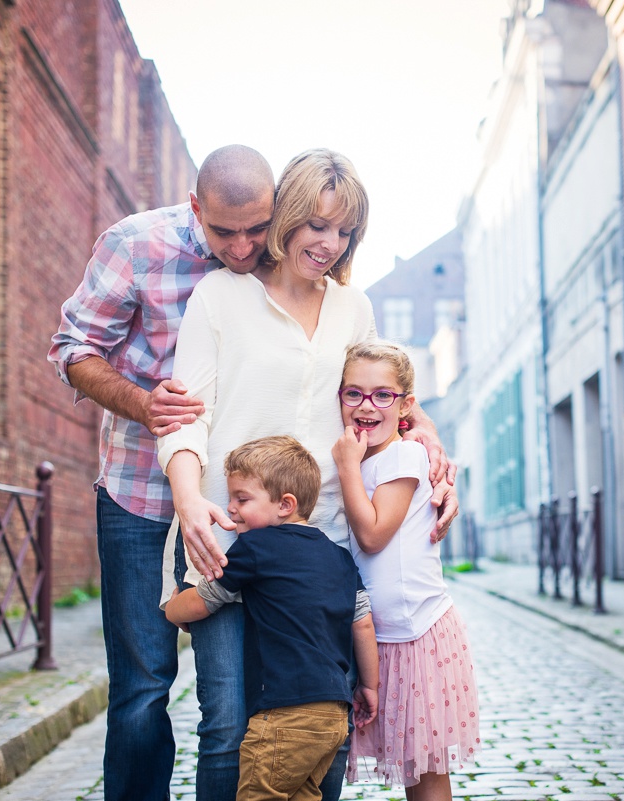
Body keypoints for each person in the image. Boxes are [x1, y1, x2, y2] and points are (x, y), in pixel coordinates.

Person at [156, 148, 455, 801]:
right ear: (287, 216)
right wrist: (187, 498)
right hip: (227, 543)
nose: (329, 243)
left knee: (328, 724)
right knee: (230, 720)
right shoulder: (220, 297)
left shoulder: (354, 308)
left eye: (345, 230)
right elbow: (184, 417)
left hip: (320, 556)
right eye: (317, 224)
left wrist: (427, 437)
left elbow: (384, 397)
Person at [47, 145, 277, 801]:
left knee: (239, 683)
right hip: (139, 492)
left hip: (240, 505)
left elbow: (347, 362)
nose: (241, 247)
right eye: (224, 231)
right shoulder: (135, 244)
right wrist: (142, 403)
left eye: (255, 230)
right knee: (144, 678)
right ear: (196, 208)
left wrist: (420, 433)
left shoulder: (287, 253)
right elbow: (72, 349)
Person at [164, 436, 380, 801]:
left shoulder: (255, 548)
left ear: (285, 505)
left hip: (284, 716)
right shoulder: (340, 558)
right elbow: (363, 623)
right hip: (333, 715)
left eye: (242, 499)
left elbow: (204, 602)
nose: (230, 509)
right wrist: (369, 686)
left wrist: (171, 605)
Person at [331, 341, 481, 800]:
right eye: (353, 394)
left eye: (382, 395)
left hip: (416, 633)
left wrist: (346, 468)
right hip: (378, 637)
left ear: (405, 406)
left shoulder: (404, 457)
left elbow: (374, 535)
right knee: (408, 763)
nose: (366, 406)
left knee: (425, 770)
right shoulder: (368, 458)